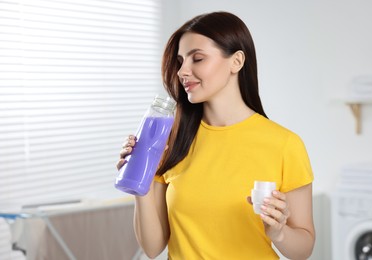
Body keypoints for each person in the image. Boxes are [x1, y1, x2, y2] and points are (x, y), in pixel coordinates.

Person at [117, 11, 315, 260]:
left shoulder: (285, 144)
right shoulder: (169, 138)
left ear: (237, 62)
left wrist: (280, 233)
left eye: (197, 59)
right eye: (180, 61)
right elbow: (153, 247)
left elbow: (304, 249)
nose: (182, 71)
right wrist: (140, 179)